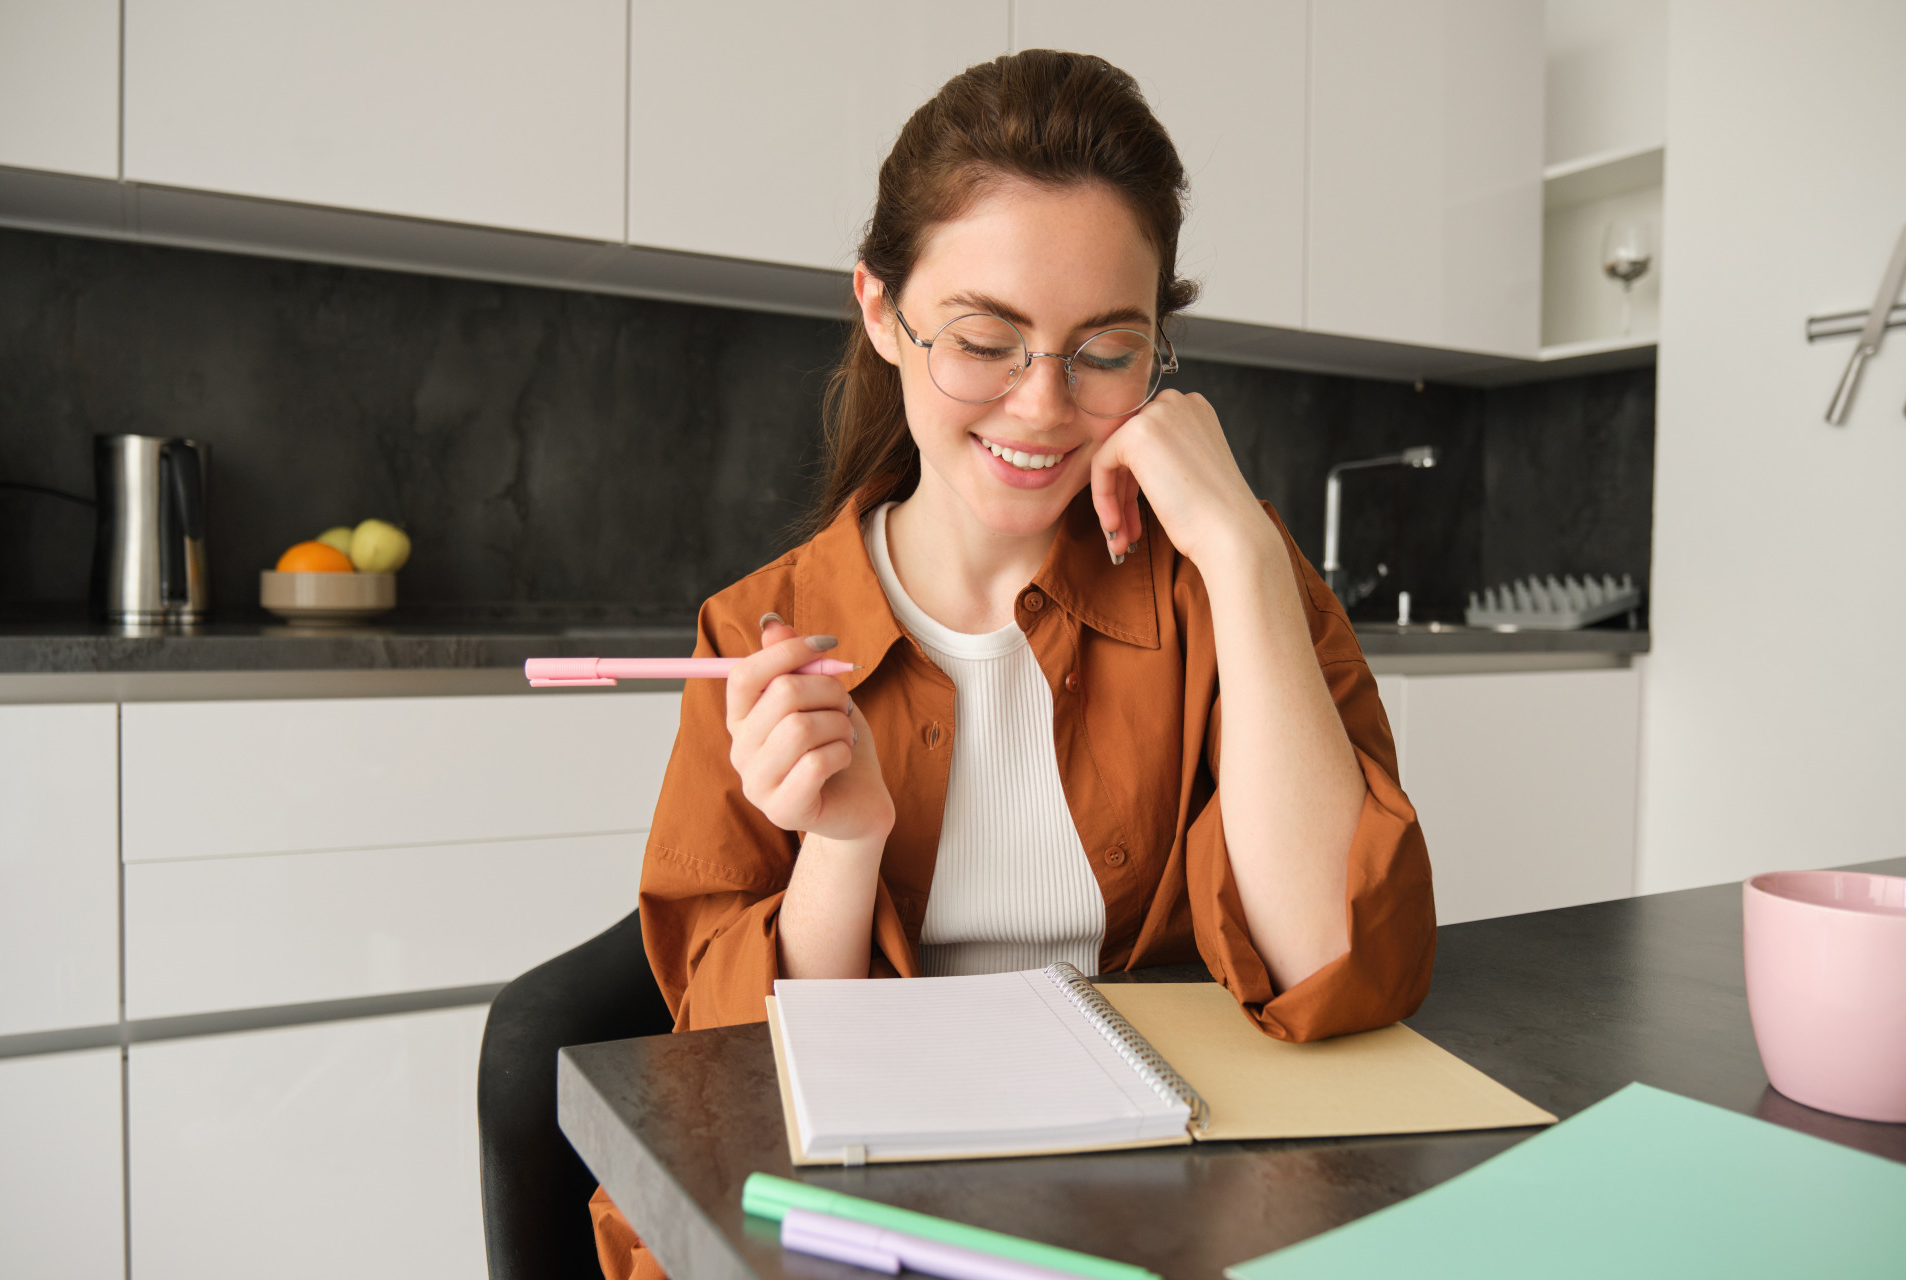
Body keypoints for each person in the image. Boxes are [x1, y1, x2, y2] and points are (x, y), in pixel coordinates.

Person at [588, 48, 1434, 1280]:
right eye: (986, 341)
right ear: (882, 311)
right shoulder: (760, 629)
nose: (1042, 408)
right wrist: (843, 840)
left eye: (1105, 352)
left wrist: (1244, 547)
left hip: (1152, 1211)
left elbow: (1338, 966)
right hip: (855, 1222)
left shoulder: (1226, 586)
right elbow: (732, 1075)